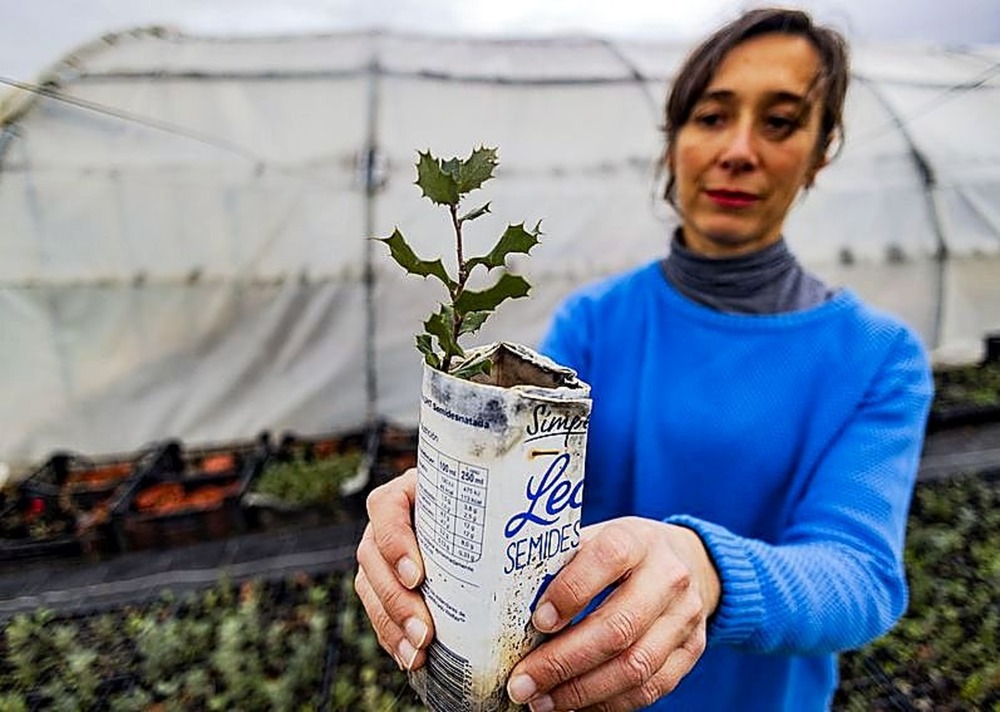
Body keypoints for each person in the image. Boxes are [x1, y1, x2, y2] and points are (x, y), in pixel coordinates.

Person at [354, 7, 934, 711]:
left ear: (820, 151)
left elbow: (859, 576)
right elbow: (526, 482)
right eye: (713, 116)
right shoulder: (598, 322)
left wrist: (707, 569)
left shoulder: (877, 358)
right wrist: (438, 508)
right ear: (675, 142)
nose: (739, 150)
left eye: (780, 122)